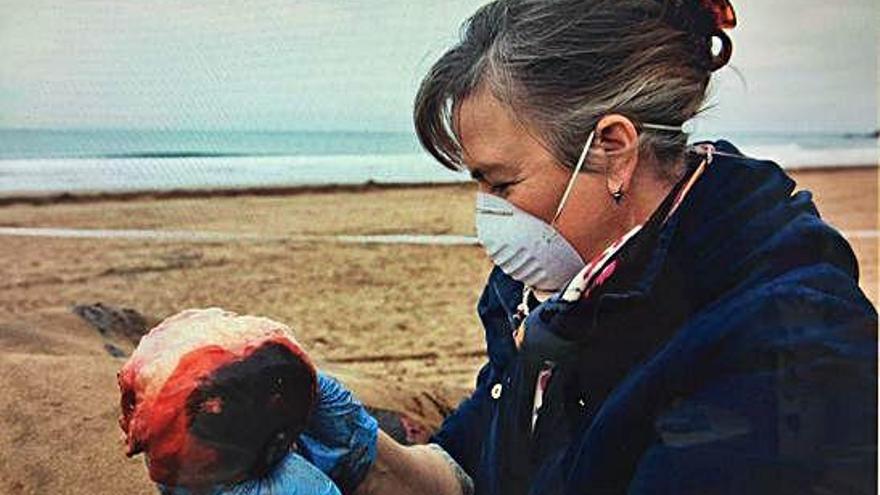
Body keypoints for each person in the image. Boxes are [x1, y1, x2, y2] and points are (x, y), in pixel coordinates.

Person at [163, 0, 877, 493]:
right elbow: (480, 468)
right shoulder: (548, 291)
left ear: (614, 150)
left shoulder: (784, 342)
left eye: (503, 183)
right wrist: (365, 460)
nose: (488, 215)